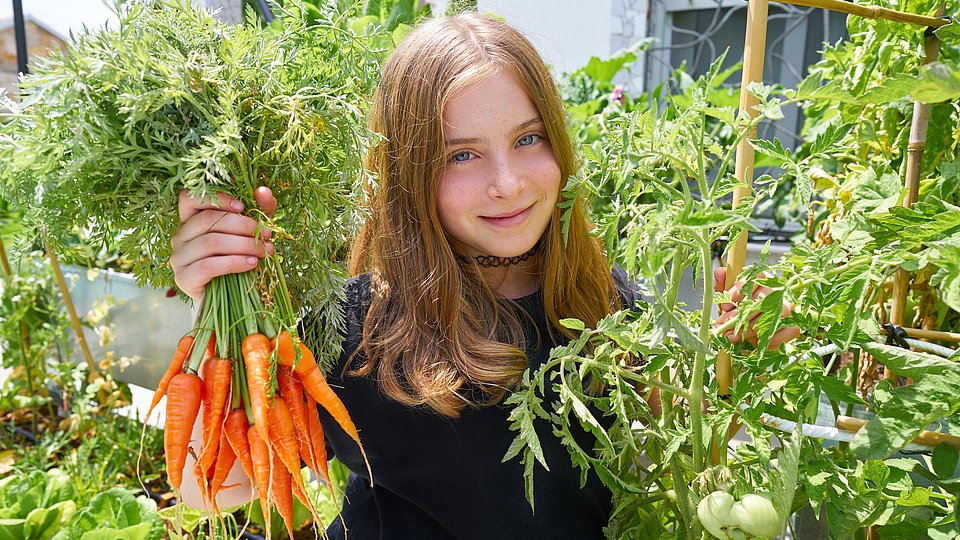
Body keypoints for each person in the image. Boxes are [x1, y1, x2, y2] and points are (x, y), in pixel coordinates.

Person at [170, 12, 795, 539]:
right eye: (461, 155)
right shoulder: (353, 327)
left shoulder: (606, 304)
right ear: (409, 172)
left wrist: (728, 370)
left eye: (528, 139)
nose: (508, 182)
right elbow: (215, 490)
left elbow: (655, 453)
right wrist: (216, 296)